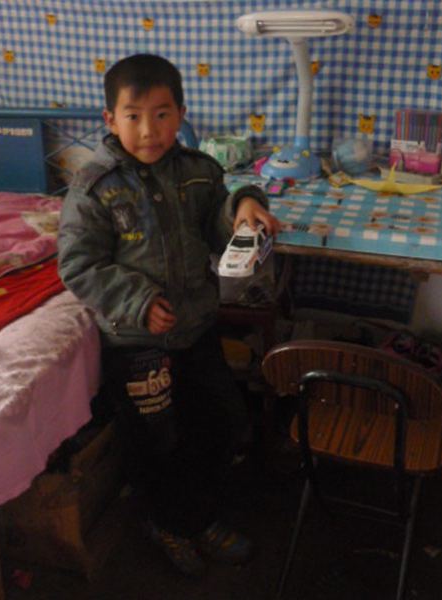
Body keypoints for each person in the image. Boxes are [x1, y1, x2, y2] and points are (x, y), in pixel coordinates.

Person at [57, 53, 279, 576]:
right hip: (137, 346)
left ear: (180, 113)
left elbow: (219, 222)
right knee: (156, 440)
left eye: (161, 114)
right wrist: (137, 301)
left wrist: (245, 206)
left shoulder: (198, 172)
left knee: (222, 422)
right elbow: (78, 265)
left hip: (196, 328)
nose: (148, 129)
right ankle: (172, 523)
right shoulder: (95, 187)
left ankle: (189, 515)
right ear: (110, 119)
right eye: (133, 116)